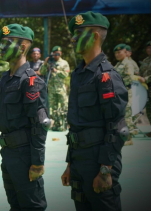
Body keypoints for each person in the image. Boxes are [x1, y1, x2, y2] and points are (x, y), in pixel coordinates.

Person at [61, 11, 128, 211]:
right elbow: (76, 125)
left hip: (100, 161)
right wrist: (70, 164)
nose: (74, 39)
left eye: (79, 33)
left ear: (95, 36)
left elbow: (118, 128)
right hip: (80, 161)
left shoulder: (106, 76)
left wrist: (105, 170)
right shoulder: (78, 74)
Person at [0, 23, 49, 211]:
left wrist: (37, 162)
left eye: (7, 43)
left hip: (25, 155)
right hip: (8, 153)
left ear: (23, 47)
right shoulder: (5, 80)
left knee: (32, 206)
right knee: (16, 205)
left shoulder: (31, 80)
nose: (2, 48)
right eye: (1, 43)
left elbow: (40, 124)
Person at [39, 45, 70, 131]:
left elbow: (65, 74)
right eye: (55, 53)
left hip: (60, 88)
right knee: (53, 108)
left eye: (58, 53)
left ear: (61, 53)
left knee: (64, 107)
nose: (57, 55)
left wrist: (57, 71)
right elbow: (41, 72)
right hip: (51, 89)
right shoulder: (49, 62)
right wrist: (45, 63)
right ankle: (56, 125)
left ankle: (64, 125)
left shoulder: (64, 63)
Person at [114, 43, 136, 145]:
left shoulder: (128, 64)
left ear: (125, 52)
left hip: (126, 92)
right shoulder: (118, 64)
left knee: (126, 115)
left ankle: (128, 139)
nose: (117, 54)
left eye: (119, 52)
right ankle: (123, 137)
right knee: (120, 115)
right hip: (119, 93)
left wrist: (118, 84)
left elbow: (129, 78)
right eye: (116, 53)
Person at [139, 41, 151, 136]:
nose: (149, 49)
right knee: (149, 109)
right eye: (148, 48)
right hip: (147, 89)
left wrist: (146, 79)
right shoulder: (145, 60)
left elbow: (145, 77)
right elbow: (141, 73)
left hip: (148, 83)